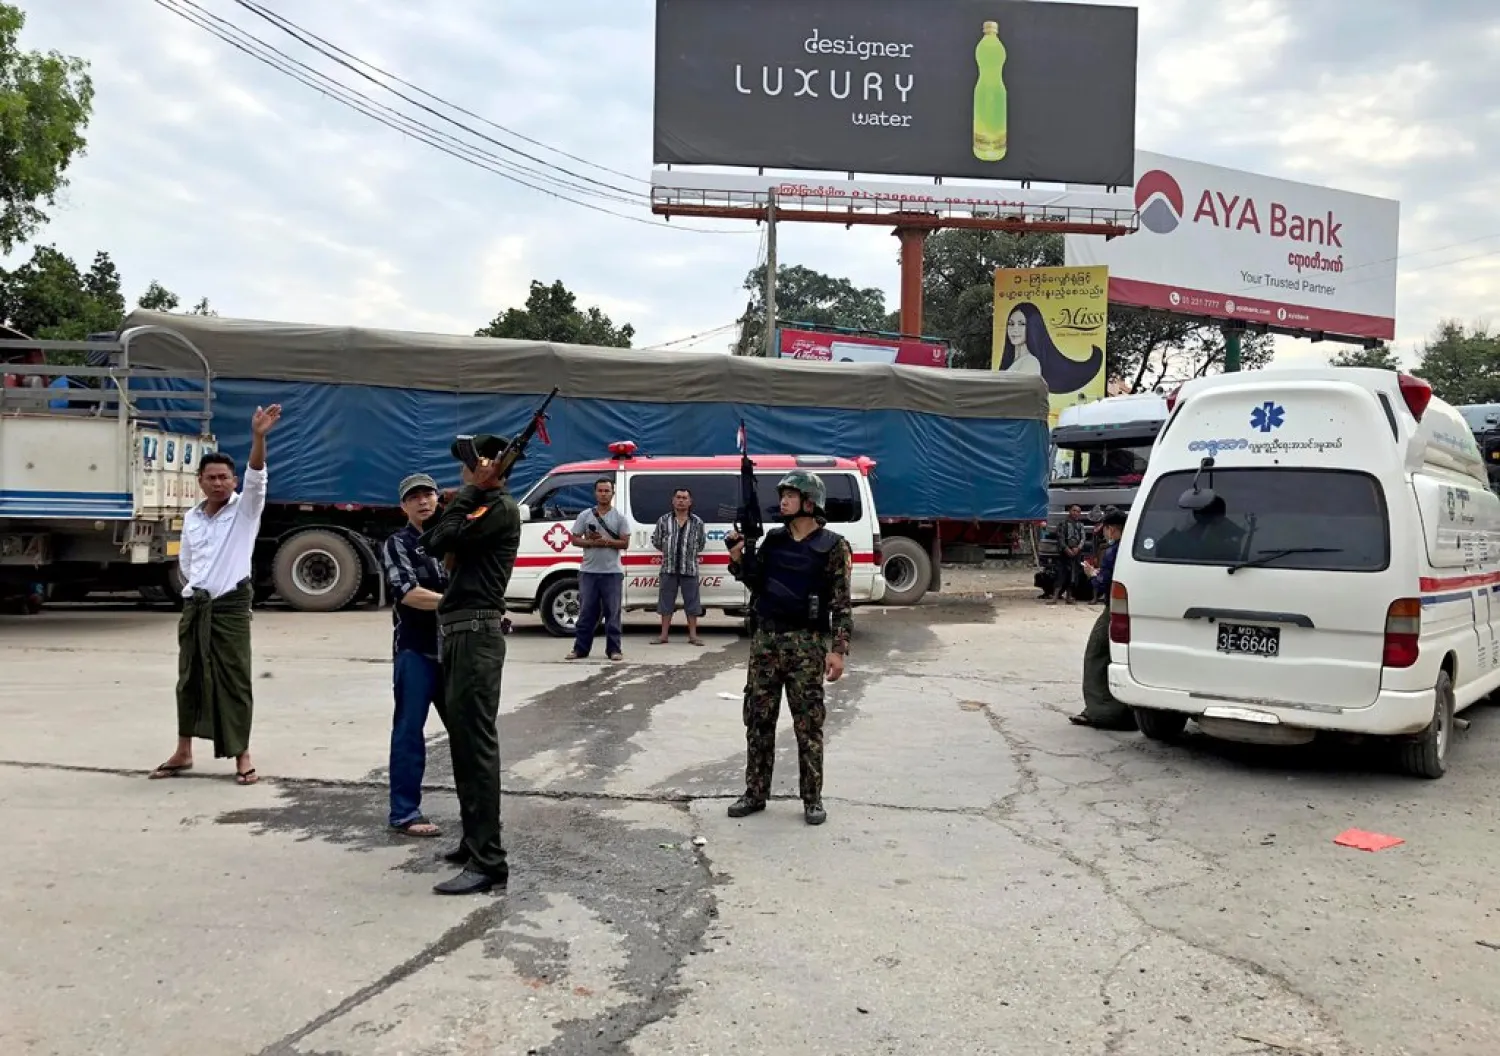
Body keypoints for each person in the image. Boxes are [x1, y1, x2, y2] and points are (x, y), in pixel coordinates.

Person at [150, 404, 282, 786]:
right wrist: (199, 593)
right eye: (211, 478)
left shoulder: (245, 510)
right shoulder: (191, 517)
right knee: (189, 677)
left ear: (234, 481)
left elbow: (258, 476)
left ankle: (242, 754)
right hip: (197, 606)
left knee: (234, 680)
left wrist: (258, 436)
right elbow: (188, 564)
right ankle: (184, 750)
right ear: (201, 481)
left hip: (231, 608)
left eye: (225, 477)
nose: (219, 483)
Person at [419, 434, 523, 895]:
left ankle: (489, 861)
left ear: (486, 469)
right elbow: (436, 538)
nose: (461, 473)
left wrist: (472, 492)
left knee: (476, 747)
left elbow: (436, 538)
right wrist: (470, 495)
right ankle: (473, 840)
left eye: (467, 466)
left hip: (476, 635)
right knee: (463, 742)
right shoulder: (481, 505)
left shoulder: (498, 508)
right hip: (462, 633)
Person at [723, 471, 853, 826]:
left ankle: (812, 798)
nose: (783, 501)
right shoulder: (774, 540)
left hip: (806, 644)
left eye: (791, 495)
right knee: (758, 719)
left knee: (808, 725)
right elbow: (756, 581)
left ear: (809, 502)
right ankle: (755, 792)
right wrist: (737, 555)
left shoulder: (833, 546)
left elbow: (841, 604)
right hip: (766, 640)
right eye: (782, 495)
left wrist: (837, 650)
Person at [379, 472, 450, 839]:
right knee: (408, 732)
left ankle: (477, 808)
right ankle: (404, 812)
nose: (423, 501)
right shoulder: (398, 543)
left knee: (468, 733)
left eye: (428, 494)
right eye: (415, 497)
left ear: (438, 498)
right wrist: (455, 603)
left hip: (453, 653)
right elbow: (407, 593)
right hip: (416, 651)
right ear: (404, 505)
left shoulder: (451, 541)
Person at [1071, 509, 1136, 730]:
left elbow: (1104, 585)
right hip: (1138, 608)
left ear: (1111, 528)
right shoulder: (1136, 546)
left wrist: (1092, 575)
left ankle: (1102, 711)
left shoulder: (1114, 551)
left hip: (1115, 607)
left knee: (1096, 656)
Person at [565, 477, 629, 662]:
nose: (603, 494)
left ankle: (614, 650)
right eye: (600, 490)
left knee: (613, 614)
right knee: (586, 613)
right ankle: (580, 650)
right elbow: (575, 539)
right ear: (595, 493)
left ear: (612, 493)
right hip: (588, 572)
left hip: (612, 573)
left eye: (607, 491)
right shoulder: (585, 515)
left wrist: (607, 542)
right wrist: (591, 543)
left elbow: (625, 542)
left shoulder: (619, 517)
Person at [997, 301, 1104, 395]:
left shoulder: (1030, 363)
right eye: (1011, 324)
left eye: (1022, 324)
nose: (1014, 329)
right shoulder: (1013, 362)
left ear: (1033, 327)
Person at [650, 486, 708, 646]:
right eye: (678, 497)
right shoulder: (663, 520)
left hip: (689, 568)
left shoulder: (697, 522)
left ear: (690, 502)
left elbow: (701, 544)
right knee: (665, 603)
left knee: (693, 603)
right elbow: (657, 541)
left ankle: (693, 636)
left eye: (684, 498)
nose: (681, 500)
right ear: (673, 500)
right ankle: (663, 635)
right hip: (668, 568)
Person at [1051, 505, 1087, 604]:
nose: (1076, 513)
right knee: (1061, 574)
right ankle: (1055, 597)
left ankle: (1069, 597)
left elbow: (1083, 538)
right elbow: (1060, 538)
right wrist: (1066, 549)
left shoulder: (1080, 525)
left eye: (1078, 511)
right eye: (1074, 511)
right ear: (1069, 511)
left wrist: (1078, 548)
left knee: (1073, 576)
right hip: (1064, 553)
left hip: (1076, 553)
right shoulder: (1063, 524)